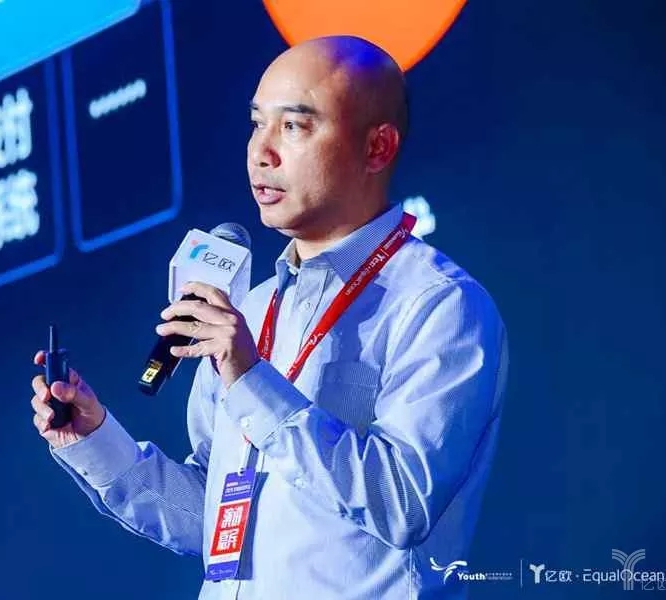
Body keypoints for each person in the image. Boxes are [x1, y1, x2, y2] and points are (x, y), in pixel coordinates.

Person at [30, 35, 509, 600]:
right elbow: (212, 518)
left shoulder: (439, 304)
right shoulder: (250, 312)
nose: (262, 152)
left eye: (294, 126)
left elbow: (401, 502)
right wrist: (94, 438)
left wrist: (251, 379)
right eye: (257, 123)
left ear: (377, 147)